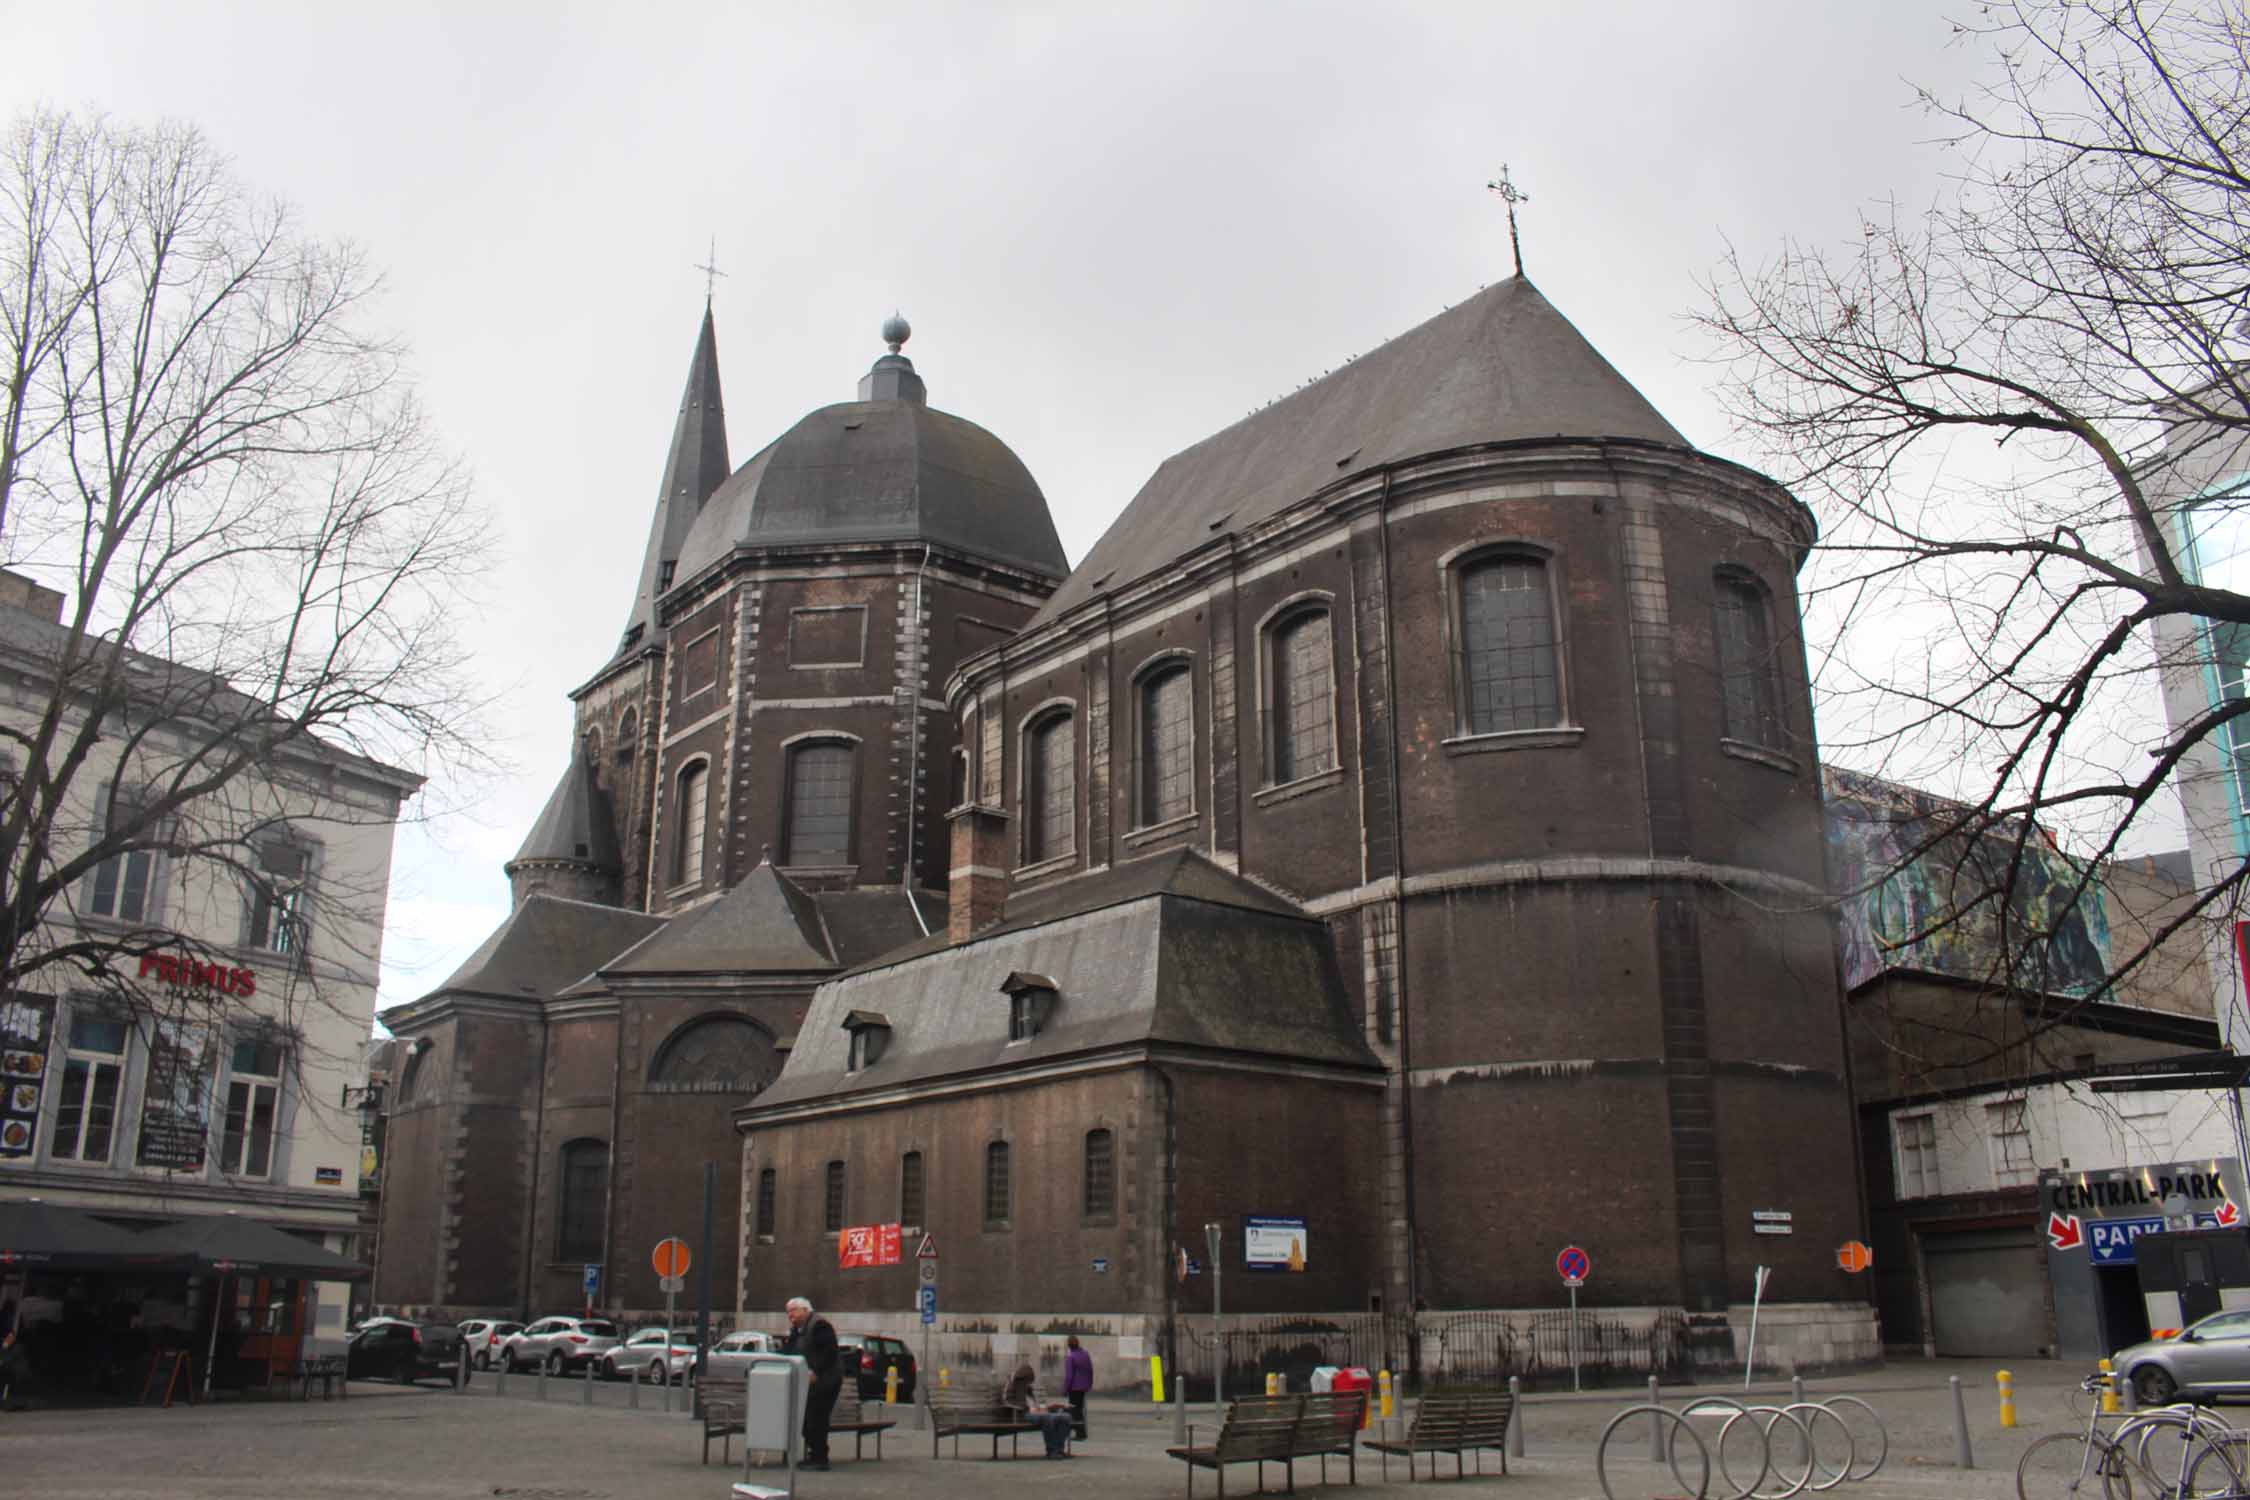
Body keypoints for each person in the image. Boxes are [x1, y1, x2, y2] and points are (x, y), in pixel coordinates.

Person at [781, 1297, 841, 1471]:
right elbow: (789, 1351)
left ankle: (820, 1458)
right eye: (788, 1312)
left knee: (816, 1417)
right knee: (807, 1418)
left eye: (793, 1310)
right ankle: (815, 1455)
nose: (790, 1315)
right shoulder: (797, 1330)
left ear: (805, 1310)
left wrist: (816, 1371)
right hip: (808, 1380)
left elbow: (829, 1351)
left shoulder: (820, 1326)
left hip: (826, 1380)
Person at [1001, 1361, 1074, 1459]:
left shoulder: (1029, 1389)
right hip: (1024, 1414)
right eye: (1028, 1381)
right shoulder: (1012, 1385)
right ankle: (1051, 1450)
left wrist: (1052, 1407)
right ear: (1023, 1378)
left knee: (1065, 1417)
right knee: (1047, 1418)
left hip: (1038, 1412)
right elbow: (1006, 1401)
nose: (1029, 1383)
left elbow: (1037, 1405)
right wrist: (1023, 1407)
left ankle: (1059, 1450)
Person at [1062, 1334, 1093, 1441]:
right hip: (1083, 1387)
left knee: (1074, 1410)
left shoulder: (1071, 1357)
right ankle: (1081, 1432)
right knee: (1079, 1410)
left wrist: (1065, 1389)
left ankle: (1079, 1433)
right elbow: (1090, 1371)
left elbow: (1069, 1376)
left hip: (1074, 1388)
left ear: (1069, 1346)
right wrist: (1089, 1385)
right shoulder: (1085, 1354)